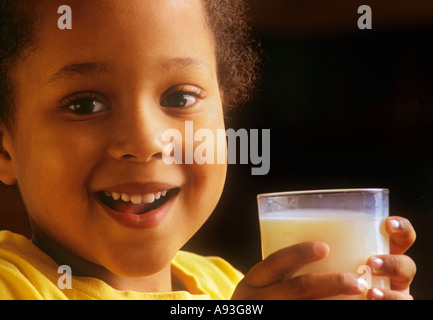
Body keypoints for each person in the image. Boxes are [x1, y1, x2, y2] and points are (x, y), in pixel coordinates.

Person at [0, 0, 416, 300]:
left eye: (180, 98)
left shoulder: (225, 284)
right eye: (85, 105)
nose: (146, 142)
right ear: (5, 150)